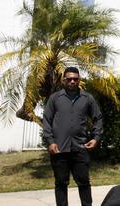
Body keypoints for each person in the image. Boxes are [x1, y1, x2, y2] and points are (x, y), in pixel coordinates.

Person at [42, 66, 103, 206]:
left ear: (79, 80)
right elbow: (47, 120)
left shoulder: (87, 98)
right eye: (69, 79)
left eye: (75, 79)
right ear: (64, 80)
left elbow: (98, 118)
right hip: (59, 149)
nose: (72, 82)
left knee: (84, 183)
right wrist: (50, 141)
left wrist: (95, 138)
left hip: (80, 148)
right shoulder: (55, 98)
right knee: (61, 183)